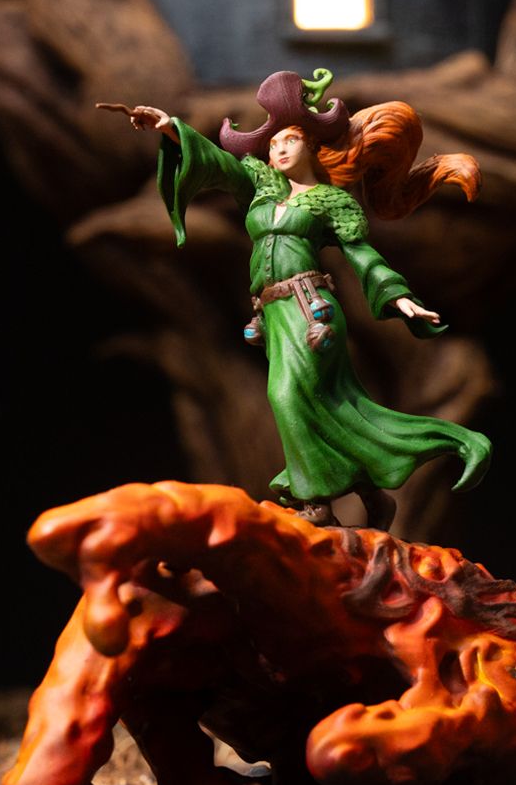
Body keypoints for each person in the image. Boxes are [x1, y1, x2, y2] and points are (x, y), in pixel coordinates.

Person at [99, 70, 491, 530]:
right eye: (273, 144)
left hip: (311, 309)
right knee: (325, 405)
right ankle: (370, 492)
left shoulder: (329, 201)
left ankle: (316, 502)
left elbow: (362, 255)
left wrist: (399, 298)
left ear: (312, 145)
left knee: (286, 396)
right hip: (273, 314)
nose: (279, 150)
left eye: (289, 140)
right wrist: (169, 126)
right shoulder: (261, 190)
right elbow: (217, 162)